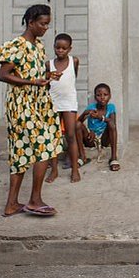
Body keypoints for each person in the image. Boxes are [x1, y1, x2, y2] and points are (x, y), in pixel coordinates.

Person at [0, 4, 62, 217]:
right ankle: (34, 199)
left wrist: (48, 78)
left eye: (48, 24)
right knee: (44, 146)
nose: (45, 28)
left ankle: (11, 204)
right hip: (22, 105)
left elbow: (36, 72)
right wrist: (31, 82)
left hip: (39, 103)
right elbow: (3, 75)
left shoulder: (39, 46)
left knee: (21, 151)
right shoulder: (17, 45)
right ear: (30, 22)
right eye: (42, 24)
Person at [46, 33, 82, 184]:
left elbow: (74, 77)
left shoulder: (74, 61)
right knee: (53, 137)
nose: (60, 51)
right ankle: (54, 170)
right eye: (57, 47)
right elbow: (46, 83)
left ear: (69, 49)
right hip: (53, 101)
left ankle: (75, 169)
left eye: (64, 48)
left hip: (68, 101)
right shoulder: (49, 64)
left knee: (71, 135)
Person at [77, 83, 120, 171]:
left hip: (104, 139)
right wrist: (85, 114)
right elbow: (79, 122)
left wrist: (100, 117)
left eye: (105, 95)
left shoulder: (111, 107)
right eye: (98, 95)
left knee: (111, 125)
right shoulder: (91, 107)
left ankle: (114, 158)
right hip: (91, 139)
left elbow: (112, 123)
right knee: (77, 125)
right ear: (95, 97)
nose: (102, 97)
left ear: (110, 96)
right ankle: (82, 156)